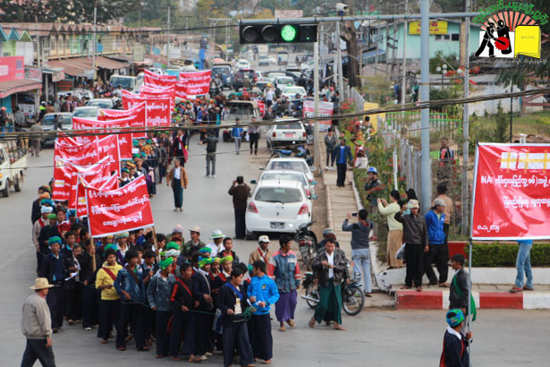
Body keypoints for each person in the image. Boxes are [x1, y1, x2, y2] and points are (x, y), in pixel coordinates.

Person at [218, 264, 255, 367]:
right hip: (230, 320)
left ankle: (246, 361)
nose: (240, 279)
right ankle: (228, 363)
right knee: (228, 343)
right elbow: (220, 304)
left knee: (244, 341)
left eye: (242, 277)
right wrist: (226, 310)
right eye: (239, 277)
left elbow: (245, 300)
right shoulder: (225, 288)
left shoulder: (241, 287)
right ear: (233, 277)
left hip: (241, 318)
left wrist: (250, 306)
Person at [309, 239, 347, 330]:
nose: (330, 248)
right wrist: (322, 264)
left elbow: (344, 266)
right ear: (325, 246)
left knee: (337, 303)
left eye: (332, 246)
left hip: (336, 281)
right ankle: (315, 318)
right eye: (328, 246)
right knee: (323, 304)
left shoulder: (339, 254)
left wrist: (334, 267)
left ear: (334, 246)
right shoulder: (321, 254)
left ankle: (337, 323)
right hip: (324, 281)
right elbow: (313, 264)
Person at [114, 250, 148, 351]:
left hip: (137, 300)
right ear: (128, 260)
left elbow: (141, 283)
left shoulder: (140, 269)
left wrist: (143, 297)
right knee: (123, 323)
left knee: (138, 323)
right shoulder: (122, 271)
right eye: (134, 258)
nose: (136, 260)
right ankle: (120, 343)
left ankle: (140, 344)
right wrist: (123, 293)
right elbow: (116, 284)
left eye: (137, 258)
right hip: (126, 301)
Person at [248, 260, 280, 364]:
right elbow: (248, 292)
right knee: (254, 334)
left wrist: (266, 302)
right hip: (253, 312)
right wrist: (250, 297)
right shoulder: (253, 280)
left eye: (254, 268)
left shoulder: (269, 281)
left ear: (258, 269)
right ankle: (255, 354)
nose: (252, 270)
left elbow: (276, 295)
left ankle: (267, 356)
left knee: (265, 335)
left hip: (264, 313)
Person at [21, 278, 56, 367]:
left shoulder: (29, 299)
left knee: (27, 362)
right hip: (40, 337)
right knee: (49, 362)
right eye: (46, 288)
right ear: (42, 289)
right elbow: (44, 320)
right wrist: (48, 335)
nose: (48, 290)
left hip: (30, 336)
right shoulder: (40, 302)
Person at [395, 199, 428, 291]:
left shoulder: (422, 218)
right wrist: (401, 210)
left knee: (419, 265)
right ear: (410, 209)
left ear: (418, 209)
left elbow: (425, 233)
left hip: (419, 245)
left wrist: (426, 245)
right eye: (413, 208)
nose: (414, 210)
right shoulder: (406, 218)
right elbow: (396, 217)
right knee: (410, 265)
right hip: (409, 244)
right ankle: (408, 283)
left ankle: (418, 284)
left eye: (416, 208)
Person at [169, 263, 199, 362]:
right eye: (188, 271)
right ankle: (174, 353)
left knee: (190, 333)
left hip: (190, 312)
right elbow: (172, 299)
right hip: (179, 313)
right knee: (177, 333)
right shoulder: (177, 284)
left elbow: (194, 294)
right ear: (182, 272)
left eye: (191, 270)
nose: (190, 273)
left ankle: (190, 354)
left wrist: (196, 301)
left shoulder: (192, 282)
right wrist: (181, 306)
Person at [270, 235, 300, 331]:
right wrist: (271, 286)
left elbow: (297, 269)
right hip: (280, 285)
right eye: (289, 244)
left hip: (291, 284)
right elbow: (270, 273)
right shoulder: (275, 257)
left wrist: (298, 281)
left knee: (293, 302)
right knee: (281, 305)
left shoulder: (293, 255)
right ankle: (282, 322)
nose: (290, 246)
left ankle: (288, 318)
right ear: (283, 245)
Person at [147, 257, 175, 359]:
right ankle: (160, 351)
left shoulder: (172, 278)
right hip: (160, 308)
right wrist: (152, 304)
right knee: (160, 330)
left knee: (169, 330)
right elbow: (149, 292)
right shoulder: (156, 278)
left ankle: (168, 350)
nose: (171, 268)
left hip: (170, 308)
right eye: (169, 266)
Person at [342, 209, 373, 296]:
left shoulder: (355, 225)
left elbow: (344, 228)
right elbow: (369, 221)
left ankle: (359, 291)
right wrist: (360, 216)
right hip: (366, 250)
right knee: (367, 271)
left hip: (357, 250)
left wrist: (347, 219)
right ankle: (368, 290)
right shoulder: (369, 224)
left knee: (357, 270)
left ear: (359, 217)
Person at [95, 249, 123, 344]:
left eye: (114, 257)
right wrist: (107, 286)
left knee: (118, 319)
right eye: (110, 257)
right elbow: (98, 285)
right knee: (106, 319)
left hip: (118, 297)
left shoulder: (120, 268)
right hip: (106, 298)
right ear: (106, 258)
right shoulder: (101, 271)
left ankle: (121, 336)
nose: (112, 259)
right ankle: (105, 336)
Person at [39, 236, 65, 333]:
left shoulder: (63, 257)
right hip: (51, 285)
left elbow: (65, 268)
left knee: (60, 305)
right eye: (53, 245)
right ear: (50, 247)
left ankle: (59, 323)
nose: (55, 247)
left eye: (57, 245)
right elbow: (42, 273)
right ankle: (53, 325)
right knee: (52, 305)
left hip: (61, 284)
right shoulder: (47, 258)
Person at [425, 199, 449, 287]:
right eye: (442, 207)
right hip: (432, 242)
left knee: (443, 262)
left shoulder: (443, 215)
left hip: (441, 242)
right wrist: (426, 243)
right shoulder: (429, 215)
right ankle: (433, 279)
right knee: (427, 262)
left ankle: (442, 281)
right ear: (437, 206)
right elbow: (425, 228)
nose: (444, 208)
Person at [378, 190, 404, 268]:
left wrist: (379, 203)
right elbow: (389, 209)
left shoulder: (394, 206)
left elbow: (383, 211)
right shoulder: (397, 205)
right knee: (394, 247)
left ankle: (396, 264)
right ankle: (394, 264)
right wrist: (386, 204)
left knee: (394, 247)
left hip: (395, 230)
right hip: (397, 229)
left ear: (392, 197)